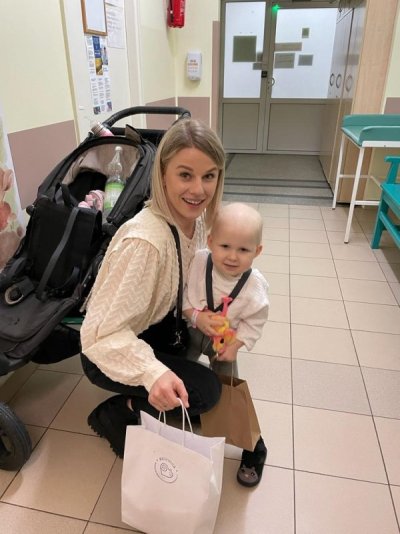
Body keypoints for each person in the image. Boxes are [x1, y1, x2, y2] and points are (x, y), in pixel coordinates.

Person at [80, 118, 229, 465]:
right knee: (206, 392)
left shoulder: (196, 220)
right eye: (185, 175)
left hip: (156, 323)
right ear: (162, 176)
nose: (198, 190)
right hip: (108, 347)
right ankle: (119, 409)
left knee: (218, 341)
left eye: (209, 176)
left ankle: (159, 391)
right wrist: (152, 372)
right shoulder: (145, 242)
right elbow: (100, 336)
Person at [182, 202, 269, 487]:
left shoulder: (255, 286)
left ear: (257, 251)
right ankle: (188, 413)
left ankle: (253, 445)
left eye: (243, 250)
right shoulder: (198, 262)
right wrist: (195, 316)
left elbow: (255, 321)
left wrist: (237, 345)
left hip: (225, 344)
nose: (232, 256)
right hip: (192, 331)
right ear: (210, 242)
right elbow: (183, 296)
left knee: (231, 389)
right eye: (225, 246)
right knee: (180, 373)